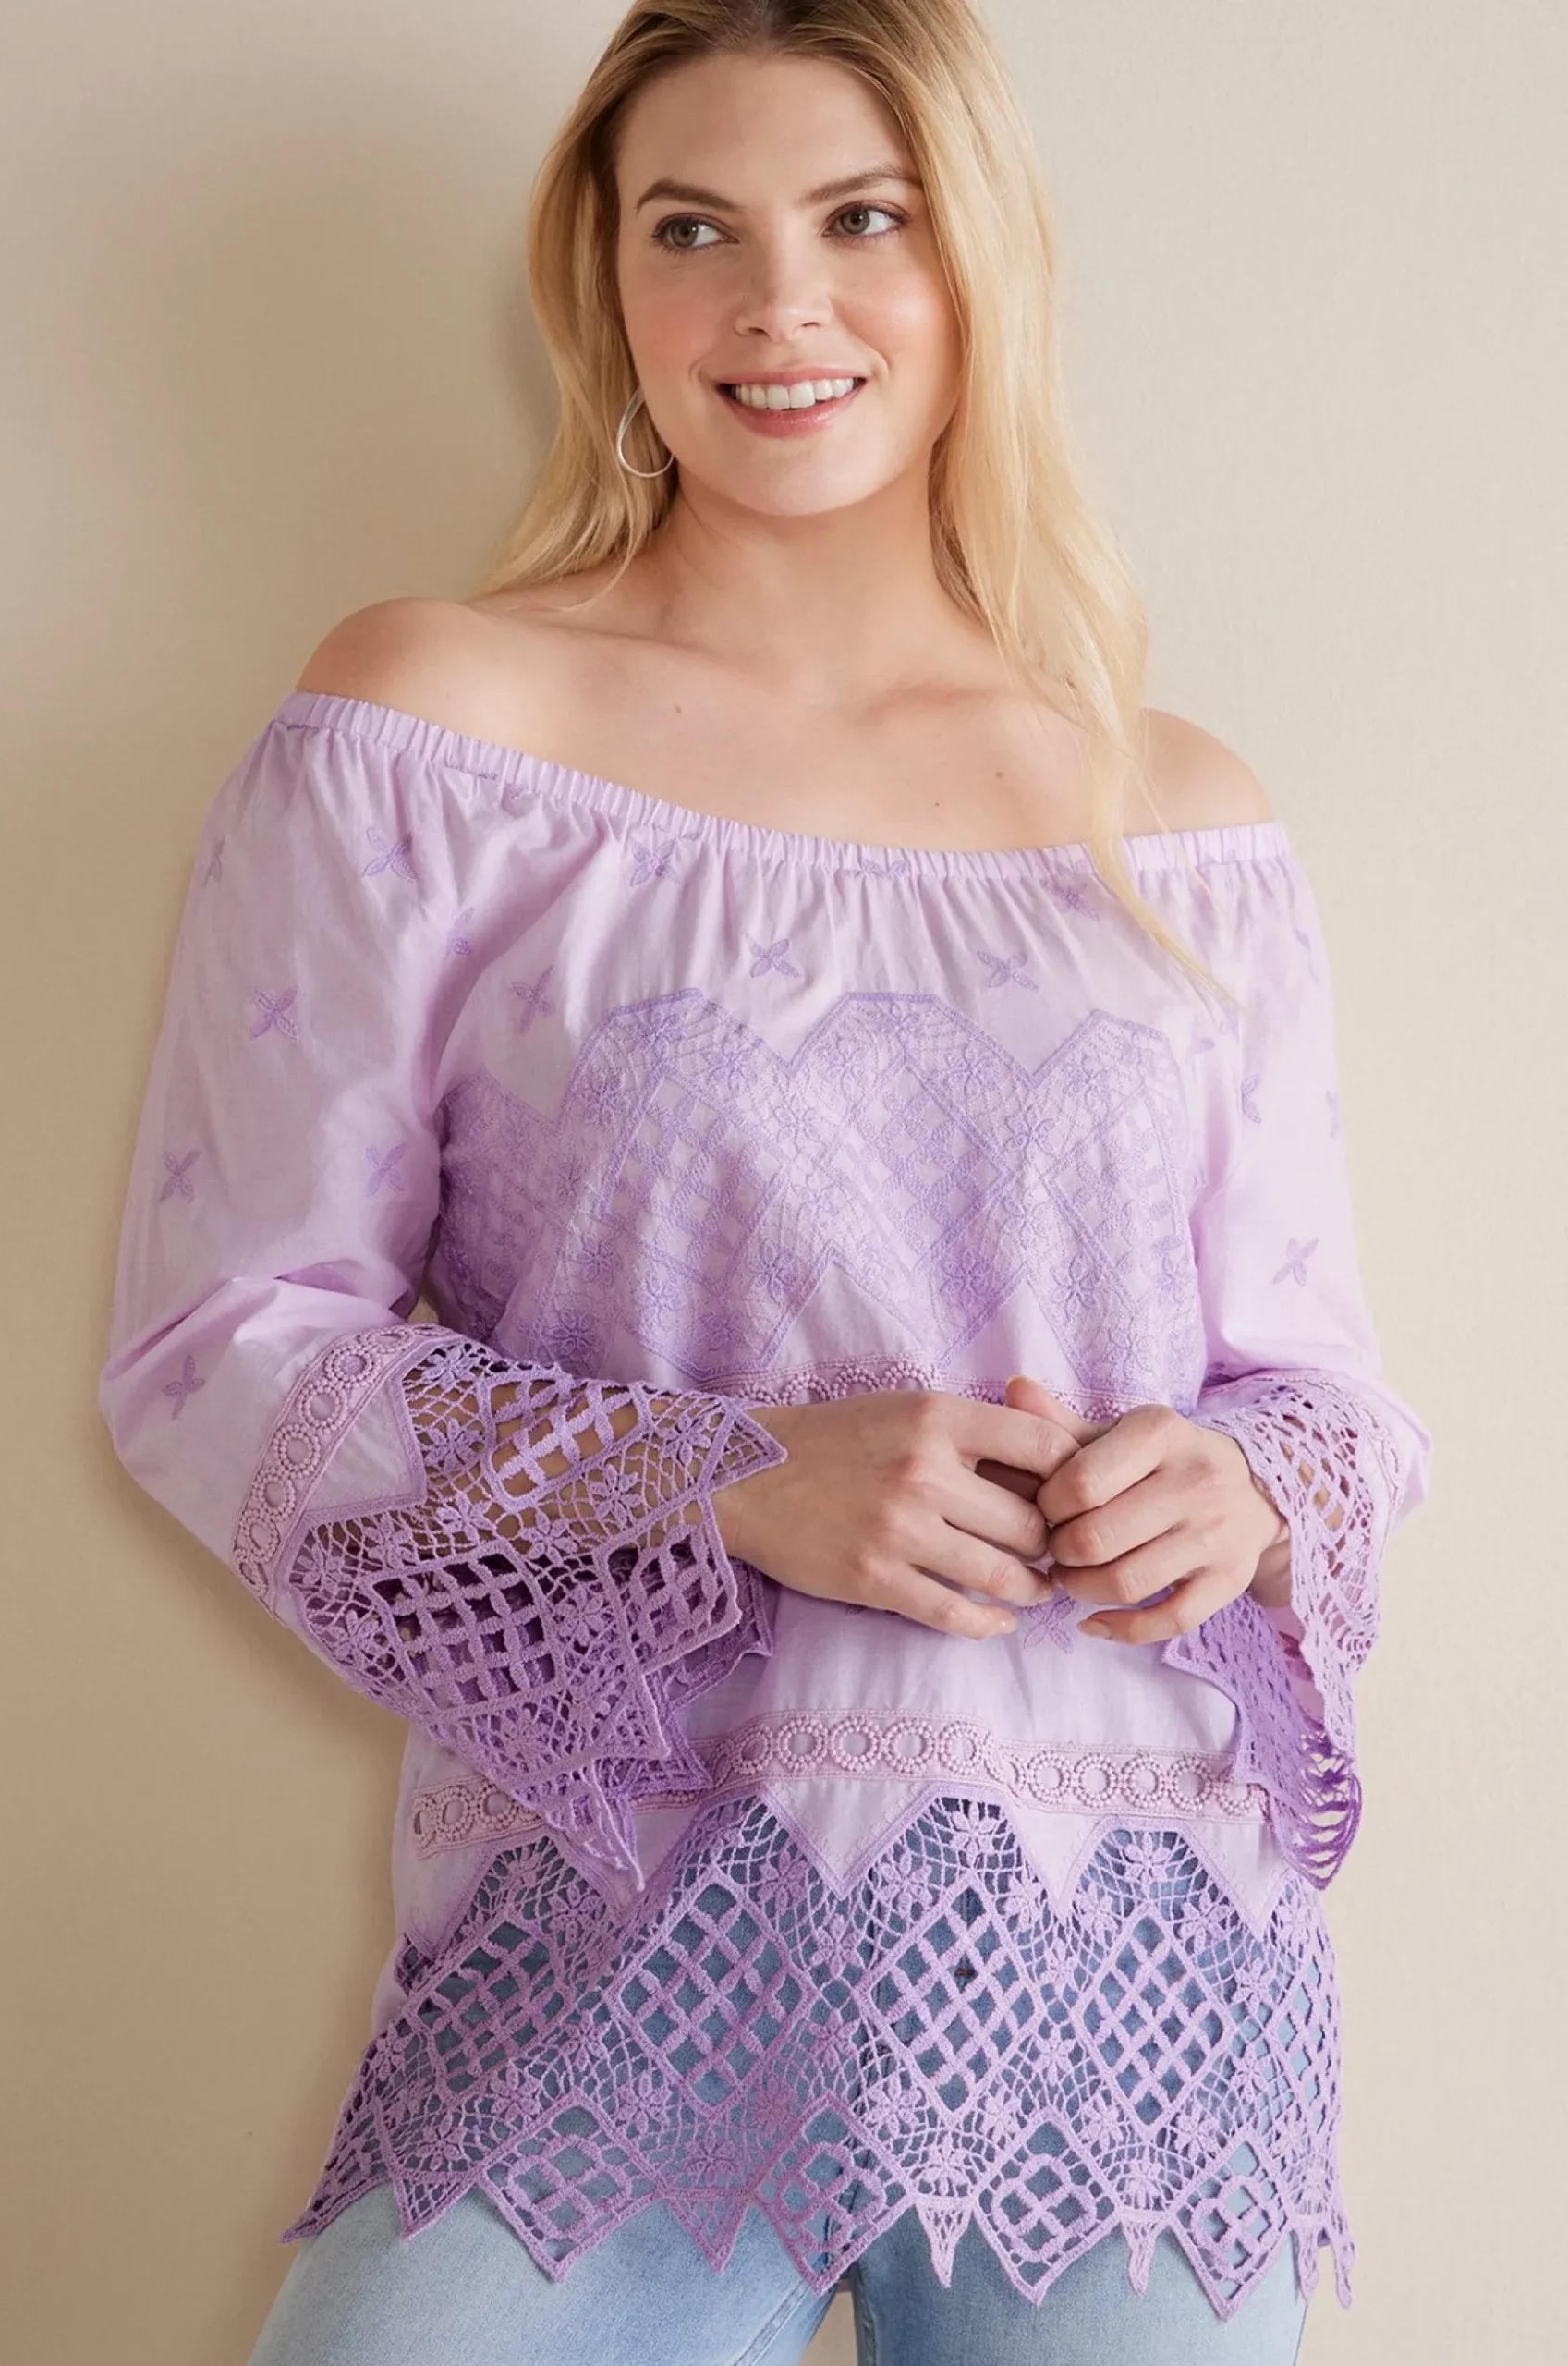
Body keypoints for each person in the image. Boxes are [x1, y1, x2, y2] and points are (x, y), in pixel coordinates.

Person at [98, 3, 1431, 2360]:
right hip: (621, 1912)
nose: (775, 302)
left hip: (1128, 1954)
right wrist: (722, 1478)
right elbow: (225, 1347)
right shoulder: (435, 730)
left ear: (978, 261)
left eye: (862, 218)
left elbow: (1332, 1398)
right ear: (603, 278)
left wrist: (1242, 1485)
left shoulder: (1178, 817)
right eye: (692, 228)